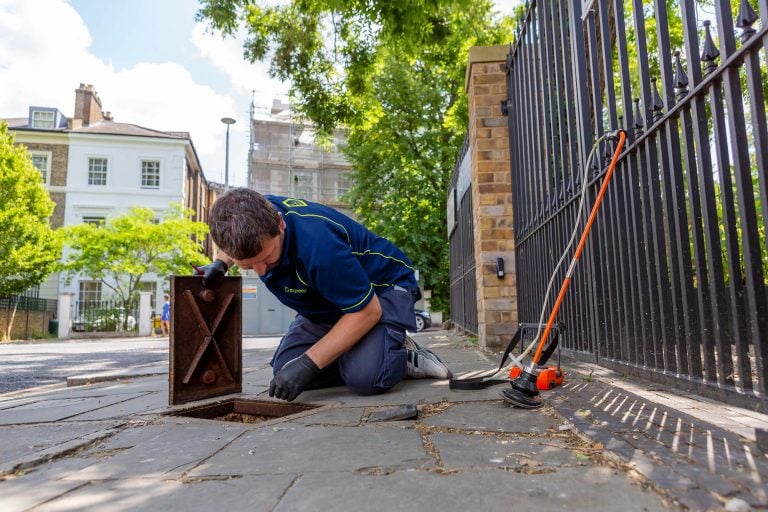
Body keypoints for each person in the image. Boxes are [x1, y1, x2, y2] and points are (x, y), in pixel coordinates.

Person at [195, 188, 450, 402]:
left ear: (280, 224)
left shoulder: (318, 245)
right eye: (248, 266)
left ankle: (397, 354)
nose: (261, 270)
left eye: (268, 258)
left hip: (382, 291)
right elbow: (235, 245)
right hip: (329, 301)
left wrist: (309, 362)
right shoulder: (253, 214)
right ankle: (368, 349)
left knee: (367, 378)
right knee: (285, 372)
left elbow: (367, 311)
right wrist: (222, 263)